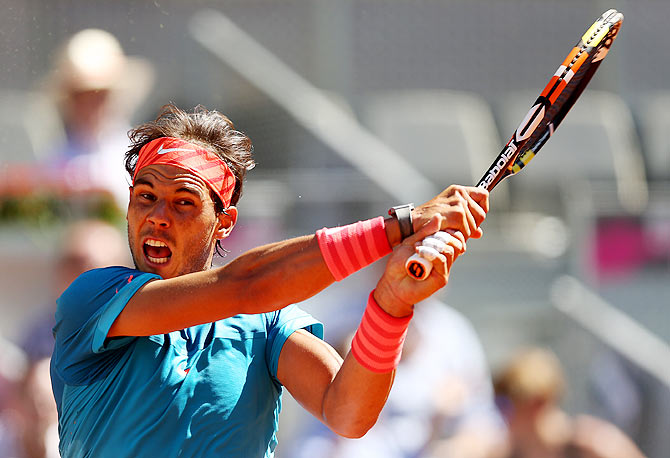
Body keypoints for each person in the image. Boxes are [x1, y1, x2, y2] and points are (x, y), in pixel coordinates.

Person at [50, 103, 490, 457]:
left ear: (224, 224)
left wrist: (392, 301)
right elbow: (245, 286)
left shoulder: (266, 324)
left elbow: (349, 415)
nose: (158, 217)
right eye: (145, 197)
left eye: (184, 202)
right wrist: (401, 226)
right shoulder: (91, 299)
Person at [492, 347, 646, 458]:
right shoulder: (506, 452)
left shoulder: (595, 447)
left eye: (504, 403)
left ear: (537, 404)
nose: (500, 412)